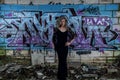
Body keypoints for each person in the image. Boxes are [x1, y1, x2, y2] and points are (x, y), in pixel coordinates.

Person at [52, 15, 76, 80]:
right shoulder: (56, 29)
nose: (63, 23)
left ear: (65, 22)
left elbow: (74, 36)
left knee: (64, 61)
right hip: (58, 47)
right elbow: (53, 38)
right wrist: (53, 45)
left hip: (65, 47)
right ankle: (60, 76)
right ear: (59, 22)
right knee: (60, 61)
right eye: (62, 21)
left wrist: (69, 42)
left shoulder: (68, 29)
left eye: (64, 21)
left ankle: (64, 75)